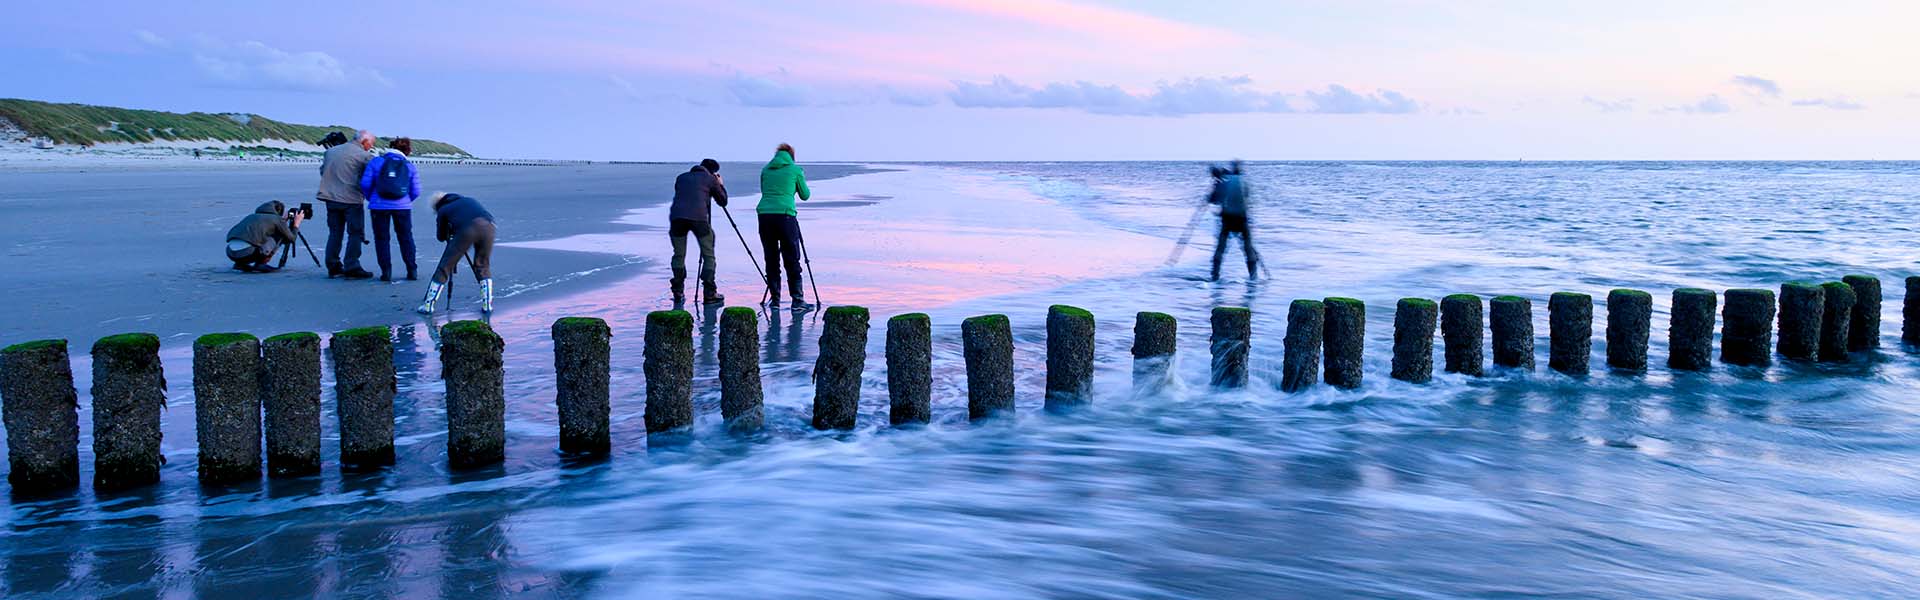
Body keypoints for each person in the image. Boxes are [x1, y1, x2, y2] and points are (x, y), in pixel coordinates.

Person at [416, 192, 497, 314]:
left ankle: (428, 305)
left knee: (445, 267)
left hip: (468, 230)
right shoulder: (469, 199)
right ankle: (487, 305)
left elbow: (441, 236)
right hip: (489, 226)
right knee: (483, 265)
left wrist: (452, 231)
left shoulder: (443, 209)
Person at [756, 144, 812, 311]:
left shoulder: (765, 170)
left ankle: (775, 300)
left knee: (771, 256)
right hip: (786, 215)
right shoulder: (795, 170)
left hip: (764, 215)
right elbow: (805, 195)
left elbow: (765, 191)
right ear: (792, 156)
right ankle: (797, 300)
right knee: (791, 256)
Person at [360, 137, 422, 282]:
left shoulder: (376, 162)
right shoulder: (409, 165)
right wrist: (406, 200)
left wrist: (371, 197)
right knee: (405, 237)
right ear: (407, 151)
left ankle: (386, 272)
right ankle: (412, 270)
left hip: (378, 206)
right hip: (403, 207)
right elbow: (416, 190)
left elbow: (365, 184)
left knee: (382, 239)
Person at [318, 130, 377, 279]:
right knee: (355, 233)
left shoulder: (330, 151)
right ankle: (352, 265)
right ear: (364, 141)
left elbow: (322, 171)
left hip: (330, 198)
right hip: (351, 199)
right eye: (371, 143)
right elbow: (370, 176)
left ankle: (333, 266)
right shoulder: (364, 156)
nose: (371, 146)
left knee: (335, 233)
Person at [669, 158, 729, 304]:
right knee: (709, 255)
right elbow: (723, 201)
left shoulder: (681, 177)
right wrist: (720, 185)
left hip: (677, 218)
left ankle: (678, 290)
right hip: (699, 218)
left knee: (679, 254)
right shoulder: (710, 179)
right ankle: (709, 292)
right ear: (713, 171)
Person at [1209, 161, 1259, 282]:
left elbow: (1213, 199)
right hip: (1243, 220)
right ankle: (1253, 278)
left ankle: (1215, 276)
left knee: (1220, 248)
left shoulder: (1224, 181)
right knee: (1248, 249)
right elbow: (1247, 199)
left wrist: (1216, 185)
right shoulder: (1245, 181)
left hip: (1228, 220)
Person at [224, 200, 302, 273]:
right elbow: (291, 238)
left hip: (231, 252)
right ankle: (261, 264)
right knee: (279, 236)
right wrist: (296, 224)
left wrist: (282, 221)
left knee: (253, 238)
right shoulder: (276, 219)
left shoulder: (251, 216)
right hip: (248, 253)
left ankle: (240, 264)